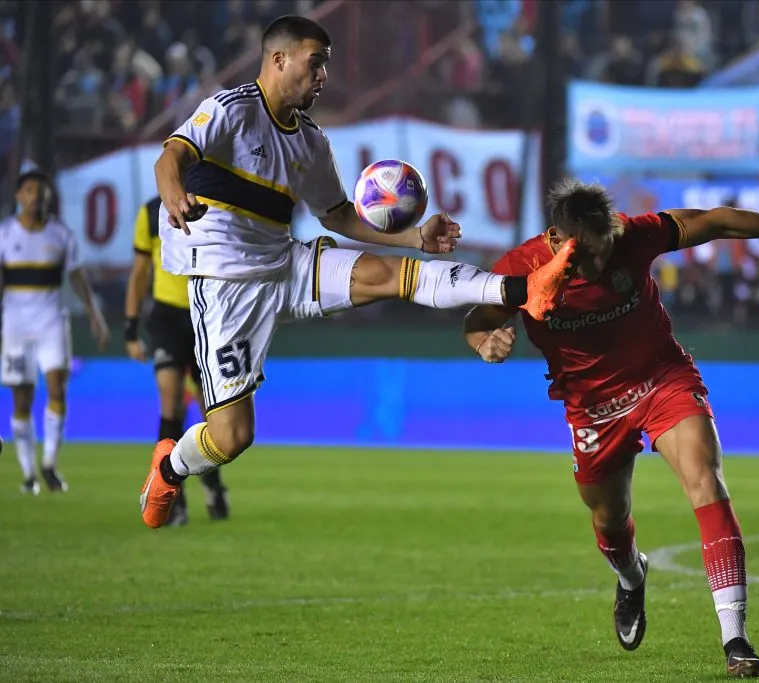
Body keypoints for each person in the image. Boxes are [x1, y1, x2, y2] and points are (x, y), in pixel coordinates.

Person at [138, 15, 573, 529]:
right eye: (314, 63)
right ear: (278, 60)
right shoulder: (232, 110)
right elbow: (171, 157)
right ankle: (168, 468)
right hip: (225, 284)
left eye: (326, 65)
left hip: (284, 263)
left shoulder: (310, 141)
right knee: (232, 436)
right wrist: (173, 195)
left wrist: (416, 237)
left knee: (393, 275)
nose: (322, 75)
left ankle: (525, 288)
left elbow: (339, 215)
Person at [463, 179, 759, 678]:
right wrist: (485, 342)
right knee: (609, 518)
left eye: (605, 249)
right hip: (592, 408)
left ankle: (736, 640)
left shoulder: (634, 235)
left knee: (706, 480)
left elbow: (717, 221)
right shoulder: (522, 267)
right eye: (587, 255)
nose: (600, 264)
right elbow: (477, 317)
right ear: (558, 240)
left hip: (661, 379)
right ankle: (632, 576)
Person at [1, 169, 109, 494]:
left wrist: (94, 313)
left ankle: (49, 464)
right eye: (30, 189)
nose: (36, 195)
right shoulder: (5, 234)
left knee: (57, 389)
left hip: (51, 320)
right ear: (19, 196)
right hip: (15, 324)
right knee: (22, 398)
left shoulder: (61, 234)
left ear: (49, 196)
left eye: (41, 189)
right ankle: (27, 473)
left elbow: (76, 276)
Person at [126, 196, 229, 526]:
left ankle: (213, 484)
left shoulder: (214, 201)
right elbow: (140, 272)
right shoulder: (149, 212)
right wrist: (131, 328)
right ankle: (173, 499)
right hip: (167, 317)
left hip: (207, 313)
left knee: (213, 413)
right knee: (170, 404)